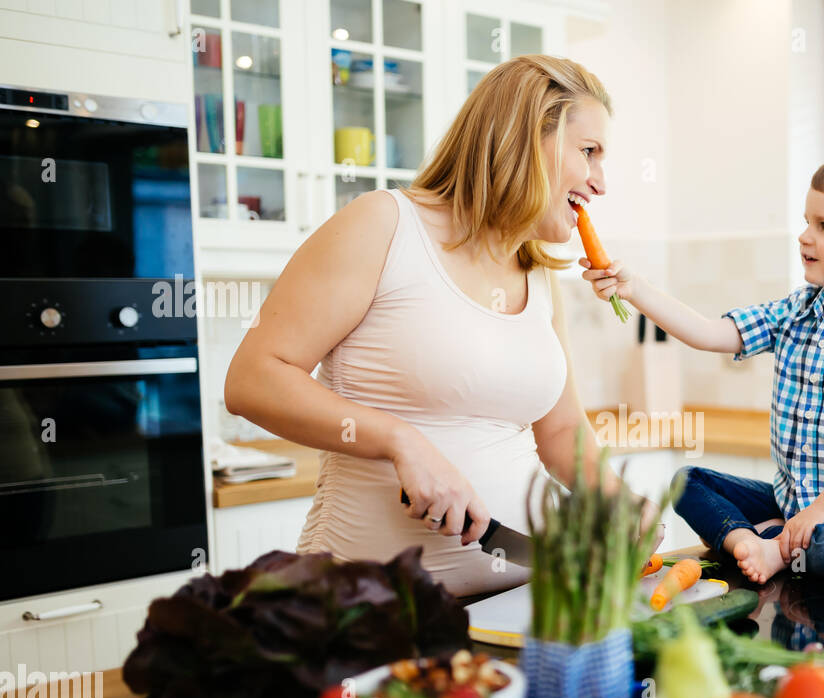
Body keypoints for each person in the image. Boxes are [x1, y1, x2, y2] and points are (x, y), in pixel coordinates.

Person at [224, 55, 662, 597]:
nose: (600, 183)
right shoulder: (384, 224)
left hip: (513, 608)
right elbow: (251, 380)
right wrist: (400, 441)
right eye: (589, 152)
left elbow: (561, 432)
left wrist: (617, 500)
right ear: (526, 139)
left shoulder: (539, 272)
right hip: (365, 610)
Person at [580, 142, 824, 584]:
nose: (805, 236)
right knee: (687, 481)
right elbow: (709, 333)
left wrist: (821, 513)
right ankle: (751, 542)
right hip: (793, 504)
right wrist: (635, 289)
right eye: (807, 221)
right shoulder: (796, 310)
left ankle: (775, 546)